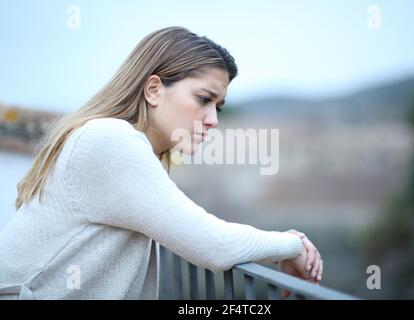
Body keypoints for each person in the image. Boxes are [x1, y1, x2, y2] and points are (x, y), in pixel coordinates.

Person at [0, 26, 323, 299]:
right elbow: (212, 244)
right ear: (154, 89)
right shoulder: (109, 140)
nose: (213, 120)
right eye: (203, 99)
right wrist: (292, 244)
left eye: (219, 107)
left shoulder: (116, 142)